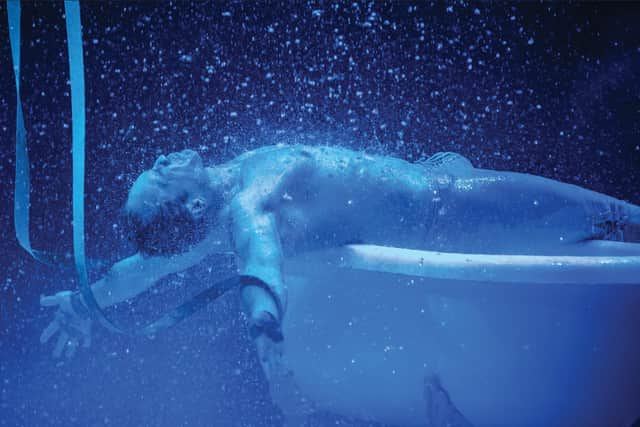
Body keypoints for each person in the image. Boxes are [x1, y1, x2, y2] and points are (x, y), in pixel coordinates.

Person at [40, 144, 640, 358]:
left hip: (436, 176)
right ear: (192, 207)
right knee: (616, 218)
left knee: (611, 223)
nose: (160, 160)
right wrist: (264, 318)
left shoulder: (214, 215)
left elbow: (138, 271)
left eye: (150, 168)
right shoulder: (250, 205)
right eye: (158, 174)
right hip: (453, 212)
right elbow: (259, 261)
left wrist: (83, 300)